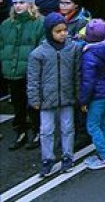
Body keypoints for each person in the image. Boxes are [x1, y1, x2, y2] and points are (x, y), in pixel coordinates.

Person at [27, 12, 82, 177]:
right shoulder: (38, 54)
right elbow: (33, 80)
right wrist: (34, 99)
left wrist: (78, 94)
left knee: (67, 128)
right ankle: (47, 159)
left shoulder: (73, 48)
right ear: (49, 32)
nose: (63, 34)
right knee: (46, 130)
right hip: (46, 98)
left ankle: (67, 157)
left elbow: (77, 73)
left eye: (64, 30)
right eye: (58, 31)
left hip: (67, 96)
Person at [2, 0, 42, 151]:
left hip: (30, 72)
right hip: (12, 71)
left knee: (32, 103)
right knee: (18, 104)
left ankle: (37, 131)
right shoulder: (6, 24)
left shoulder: (39, 23)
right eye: (16, 2)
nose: (18, 6)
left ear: (31, 4)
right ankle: (21, 131)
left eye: (22, 2)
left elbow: (41, 47)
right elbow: (2, 45)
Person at [79, 18, 105, 170]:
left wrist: (83, 100)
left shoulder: (89, 55)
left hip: (96, 96)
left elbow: (87, 82)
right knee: (102, 121)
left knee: (92, 125)